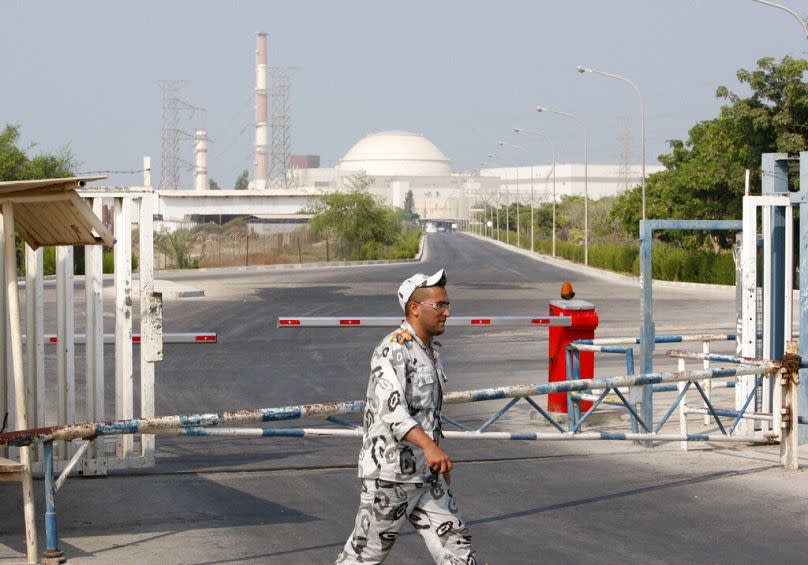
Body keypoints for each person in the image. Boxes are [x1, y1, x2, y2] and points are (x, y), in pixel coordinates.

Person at [336, 269, 479, 565]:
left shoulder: (429, 351)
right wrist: (430, 446)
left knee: (457, 546)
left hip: (426, 476)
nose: (447, 312)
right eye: (439, 305)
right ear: (415, 308)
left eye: (447, 304)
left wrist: (433, 457)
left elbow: (426, 414)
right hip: (390, 477)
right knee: (364, 556)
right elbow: (392, 410)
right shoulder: (393, 349)